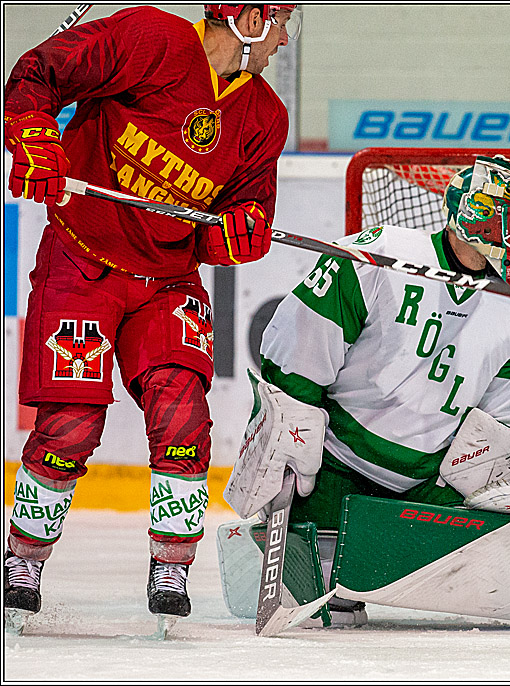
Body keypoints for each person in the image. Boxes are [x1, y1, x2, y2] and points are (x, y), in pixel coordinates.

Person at [3, 4, 299, 630]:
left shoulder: (265, 116)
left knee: (183, 415)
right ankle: (22, 558)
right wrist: (35, 135)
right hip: (83, 262)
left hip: (167, 281)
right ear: (248, 18)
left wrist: (242, 231)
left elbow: (242, 212)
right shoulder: (148, 38)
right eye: (281, 21)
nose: (284, 38)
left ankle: (171, 565)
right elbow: (36, 73)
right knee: (71, 424)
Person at [226, 155, 510, 625]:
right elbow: (300, 339)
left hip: (424, 491)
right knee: (332, 612)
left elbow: (500, 422)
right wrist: (289, 419)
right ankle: (315, 545)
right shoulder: (383, 252)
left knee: (503, 562)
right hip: (334, 469)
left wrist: (506, 459)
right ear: (481, 213)